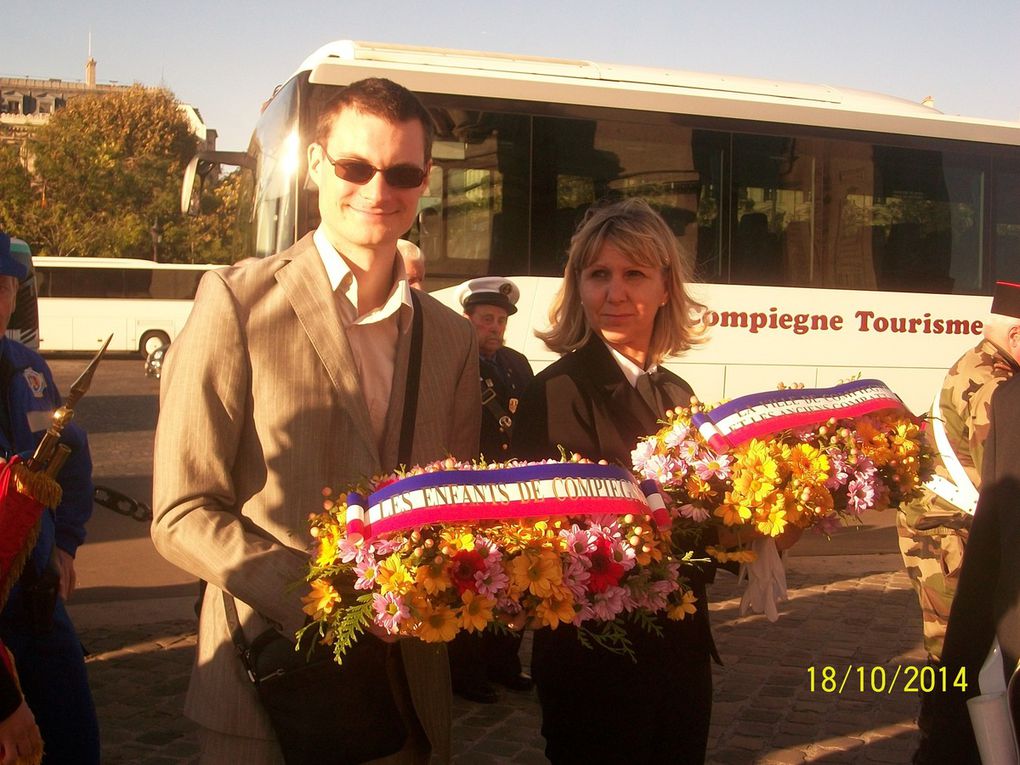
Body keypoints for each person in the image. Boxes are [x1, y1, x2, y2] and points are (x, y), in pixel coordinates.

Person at [151, 79, 480, 764]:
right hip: (271, 685)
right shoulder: (237, 302)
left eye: (402, 172)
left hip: (405, 699)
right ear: (316, 165)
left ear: (425, 183)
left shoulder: (451, 337)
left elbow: (455, 506)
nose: (377, 189)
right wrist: (312, 595)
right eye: (356, 166)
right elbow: (181, 509)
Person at [511, 198, 715, 764]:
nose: (615, 293)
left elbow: (701, 526)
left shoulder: (679, 394)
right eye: (598, 274)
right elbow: (544, 548)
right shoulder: (554, 393)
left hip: (682, 661)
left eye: (634, 274)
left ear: (666, 287)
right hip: (595, 666)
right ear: (578, 287)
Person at [0, 232, 99, 764]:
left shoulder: (29, 370)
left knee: (75, 743)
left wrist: (66, 544)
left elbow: (72, 458)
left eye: (3, 287)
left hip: (38, 605)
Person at [897, 280, 1020, 663]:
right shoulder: (995, 386)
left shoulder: (982, 363)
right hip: (948, 533)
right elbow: (1000, 479)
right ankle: (941, 722)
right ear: (1016, 335)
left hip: (943, 526)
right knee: (954, 648)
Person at [913, 374, 1020, 764]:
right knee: (942, 648)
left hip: (959, 538)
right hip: (946, 536)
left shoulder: (1007, 390)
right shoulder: (996, 386)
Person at [445, 277, 534, 703]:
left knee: (513, 582)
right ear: (467, 320)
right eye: (486, 320)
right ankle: (467, 672)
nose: (495, 327)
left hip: (511, 489)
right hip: (469, 488)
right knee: (471, 584)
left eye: (500, 321)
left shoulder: (518, 364)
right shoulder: (454, 362)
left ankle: (505, 663)